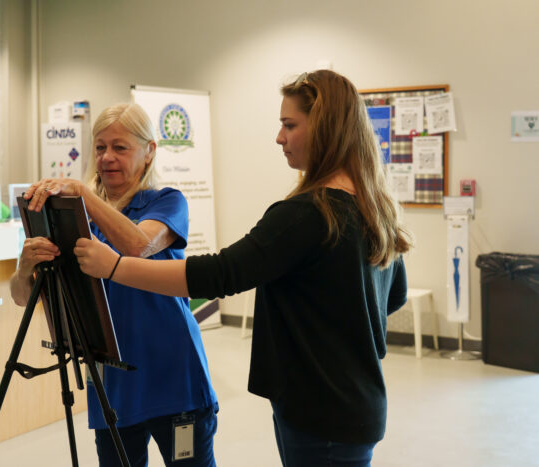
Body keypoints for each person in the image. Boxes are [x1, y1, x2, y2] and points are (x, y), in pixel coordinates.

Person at [73, 70, 412, 467]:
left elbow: (221, 273)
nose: (279, 137)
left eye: (289, 125)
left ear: (326, 128)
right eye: (100, 148)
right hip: (356, 402)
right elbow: (393, 296)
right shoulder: (372, 209)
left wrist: (115, 267)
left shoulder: (307, 214)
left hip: (318, 410)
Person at [10, 103, 218, 467]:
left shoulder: (166, 202)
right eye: (100, 147)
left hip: (173, 376)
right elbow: (23, 298)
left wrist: (83, 196)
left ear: (149, 151)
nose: (107, 158)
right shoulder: (70, 216)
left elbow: (138, 245)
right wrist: (24, 268)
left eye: (120, 148)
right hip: (113, 383)